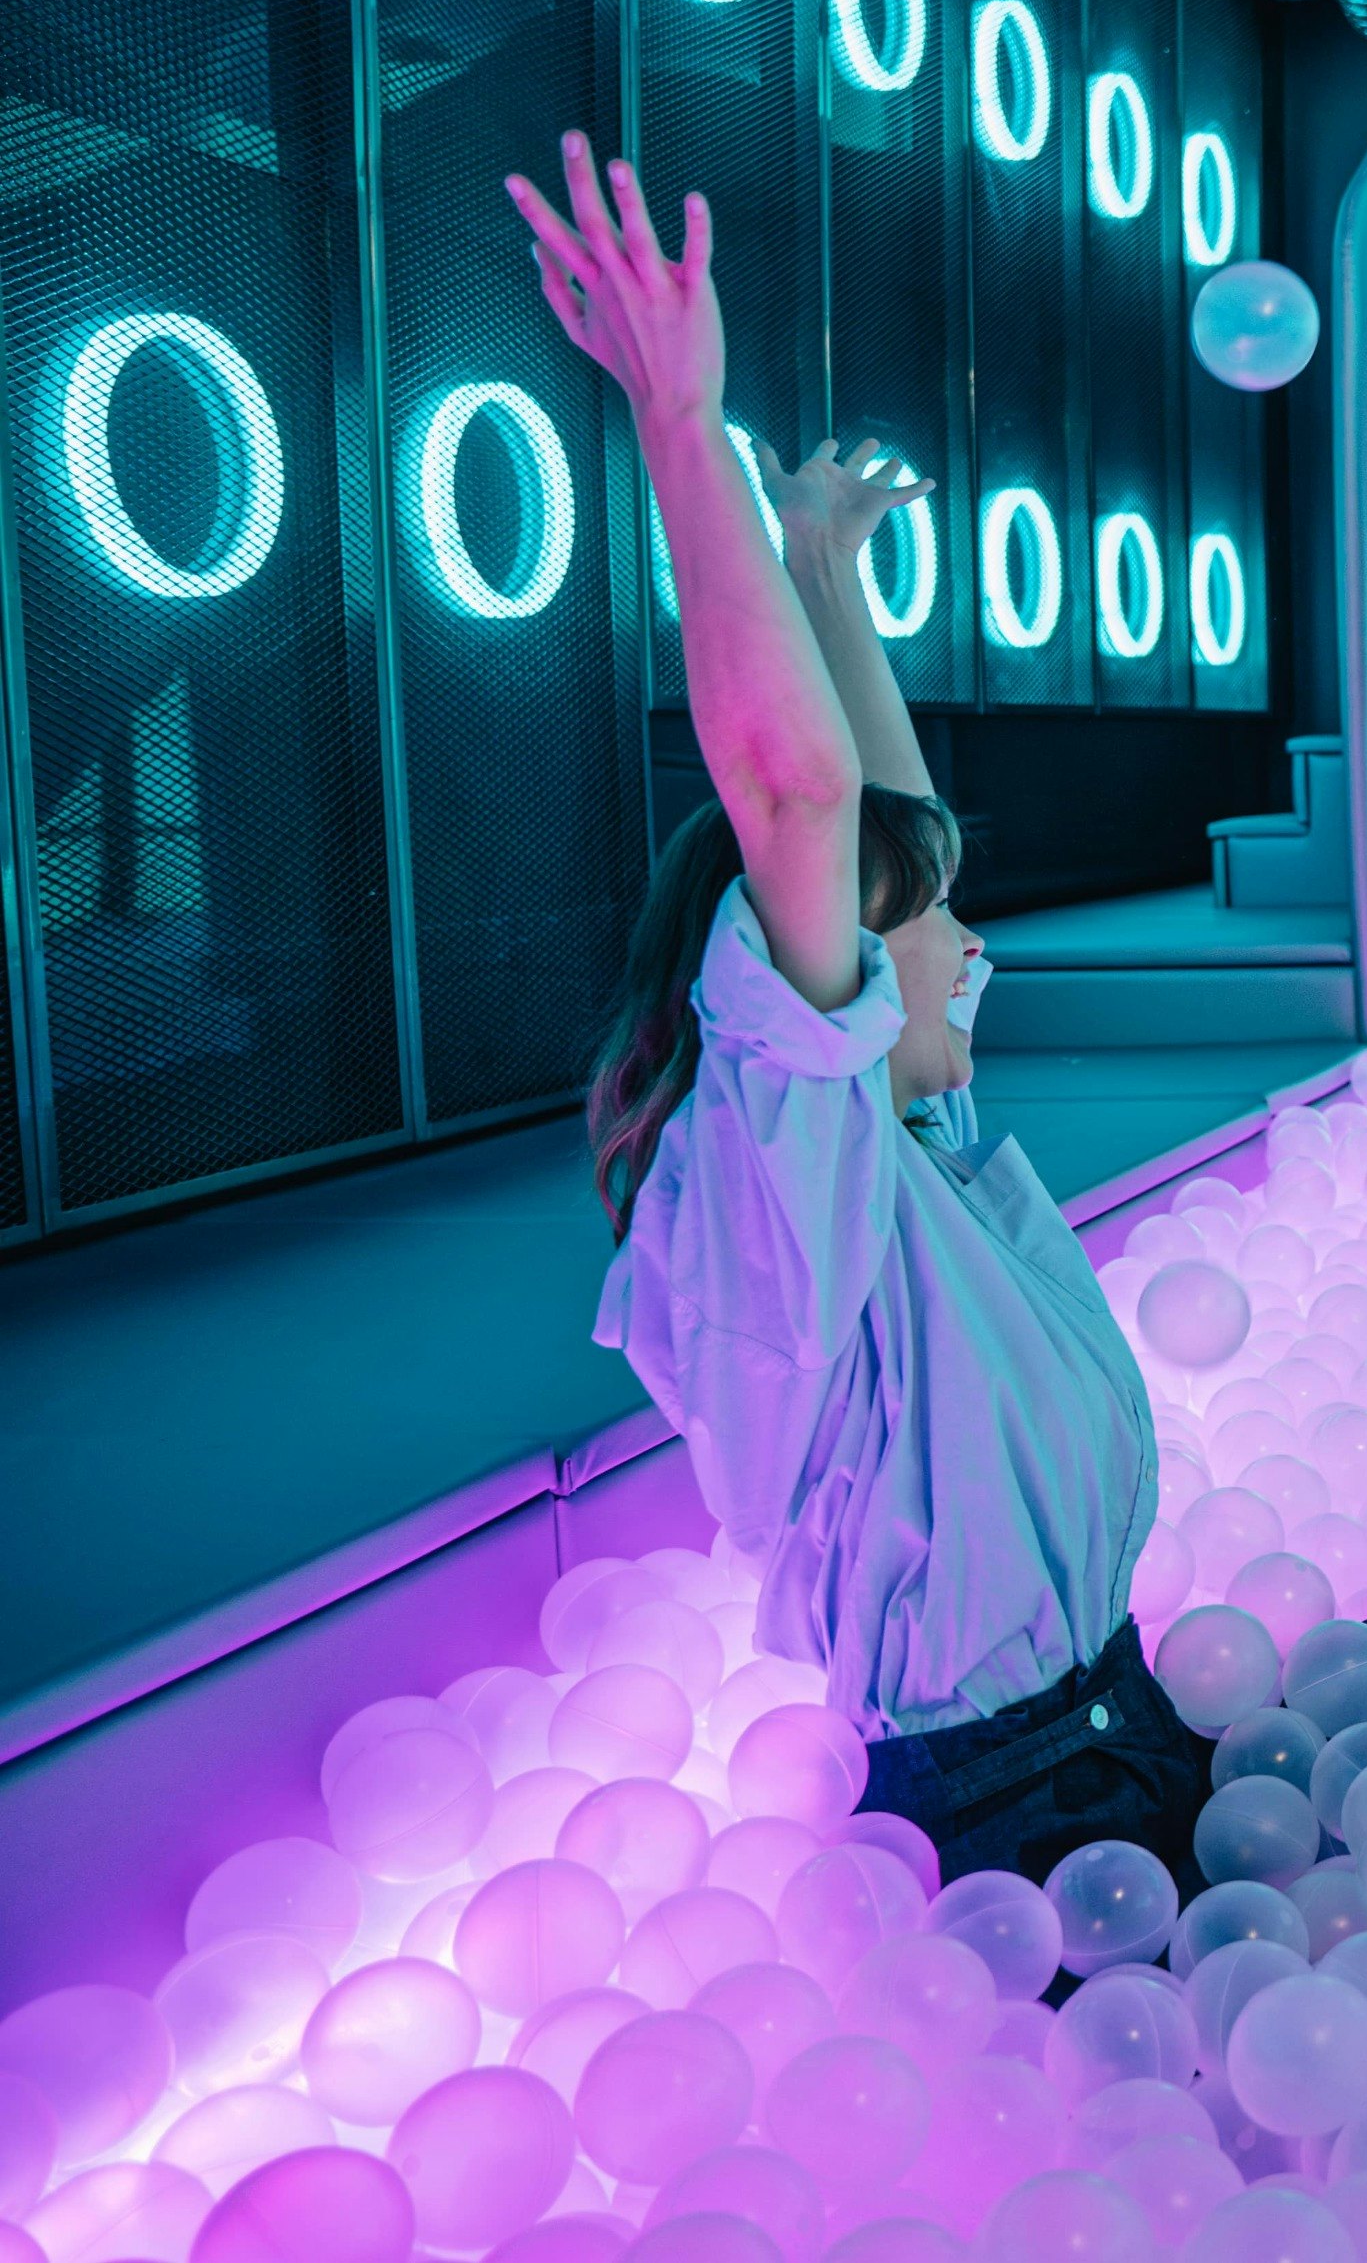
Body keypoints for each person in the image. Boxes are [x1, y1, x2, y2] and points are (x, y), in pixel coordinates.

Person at [520, 131, 1209, 1888]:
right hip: (1018, 1807)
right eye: (932, 937)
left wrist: (825, 567)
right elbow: (802, 794)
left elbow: (903, 837)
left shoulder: (910, 1145)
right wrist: (683, 428)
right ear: (808, 992)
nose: (972, 956)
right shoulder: (784, 1191)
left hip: (1115, 1726)